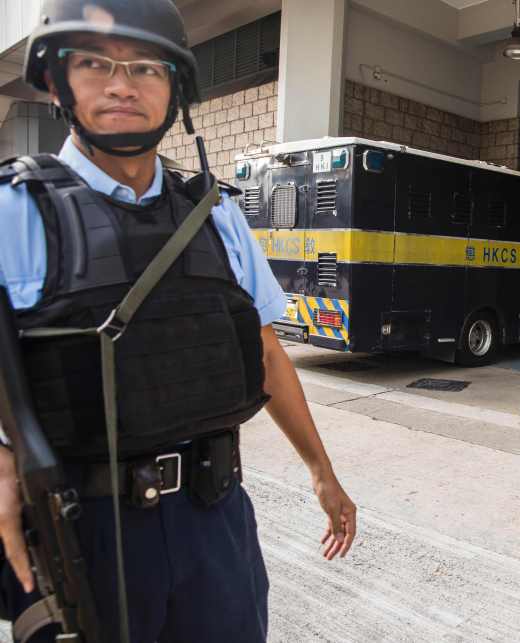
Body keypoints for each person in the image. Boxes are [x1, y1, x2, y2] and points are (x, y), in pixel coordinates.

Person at [0, 1, 356, 641]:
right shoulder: (14, 211)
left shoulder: (217, 218)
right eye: (93, 64)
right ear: (57, 82)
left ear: (176, 90)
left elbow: (268, 355)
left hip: (213, 519)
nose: (120, 84)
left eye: (145, 67)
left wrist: (322, 472)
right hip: (84, 531)